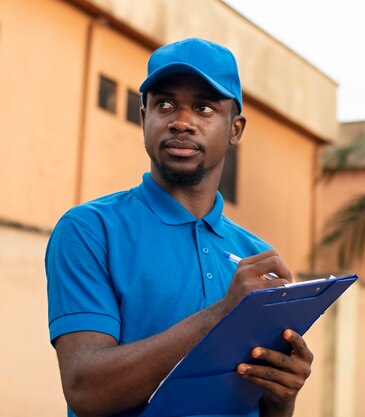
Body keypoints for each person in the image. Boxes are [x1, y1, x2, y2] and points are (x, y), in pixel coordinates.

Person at [45, 37, 313, 417]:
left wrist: (282, 397)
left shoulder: (259, 259)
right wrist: (221, 315)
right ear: (144, 118)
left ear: (235, 129)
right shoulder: (90, 230)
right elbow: (85, 389)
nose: (181, 122)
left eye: (203, 107)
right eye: (164, 104)